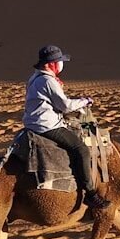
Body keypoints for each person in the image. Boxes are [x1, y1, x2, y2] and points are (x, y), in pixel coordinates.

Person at [24, 45, 109, 209]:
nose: (61, 65)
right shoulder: (48, 80)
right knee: (81, 149)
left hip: (33, 122)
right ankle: (91, 194)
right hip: (47, 125)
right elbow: (65, 106)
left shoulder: (35, 77)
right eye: (59, 61)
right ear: (50, 64)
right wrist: (85, 101)